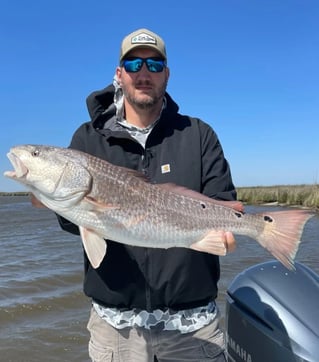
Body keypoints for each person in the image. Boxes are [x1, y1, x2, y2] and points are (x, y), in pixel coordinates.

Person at [33, 28, 237, 361]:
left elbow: (222, 201)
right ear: (119, 74)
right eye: (134, 63)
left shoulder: (198, 135)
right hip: (115, 330)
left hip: (193, 329)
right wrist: (57, 200)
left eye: (155, 65)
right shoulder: (88, 141)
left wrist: (229, 231)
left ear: (167, 75)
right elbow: (74, 224)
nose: (144, 73)